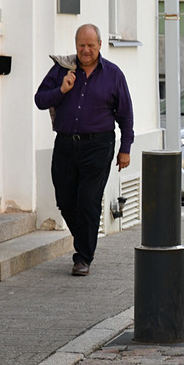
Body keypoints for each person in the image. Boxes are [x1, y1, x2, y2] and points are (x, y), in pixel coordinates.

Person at [34, 24, 134, 277]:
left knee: (88, 200)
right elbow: (40, 100)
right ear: (76, 45)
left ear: (100, 45)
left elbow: (125, 115)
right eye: (81, 45)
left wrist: (125, 149)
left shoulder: (113, 74)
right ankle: (86, 239)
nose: (86, 50)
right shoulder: (61, 70)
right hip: (66, 144)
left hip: (99, 145)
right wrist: (62, 89)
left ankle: (83, 257)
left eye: (91, 45)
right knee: (66, 200)